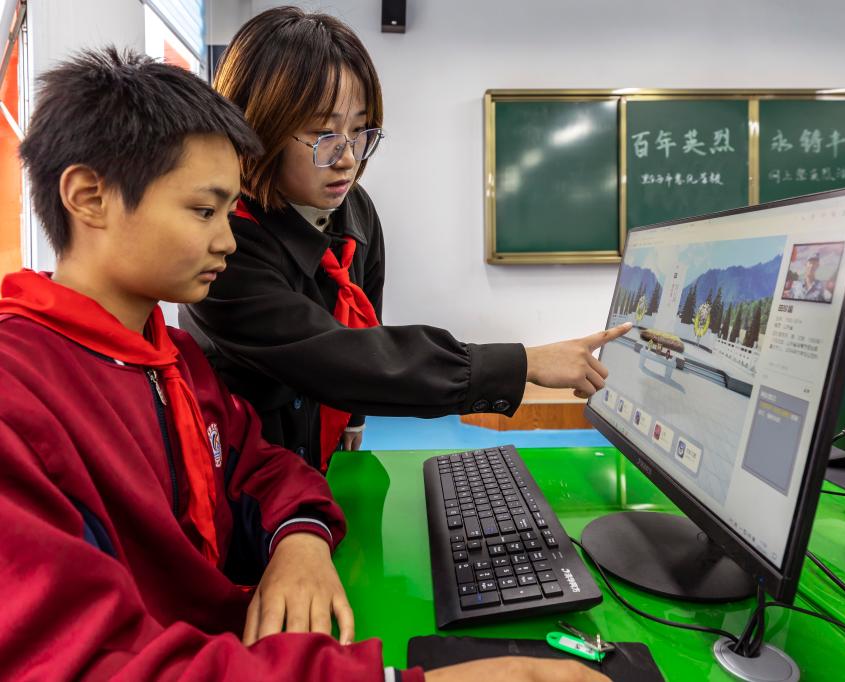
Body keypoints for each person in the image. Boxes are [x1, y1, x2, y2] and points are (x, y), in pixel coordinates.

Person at [0, 47, 606, 682]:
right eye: (205, 211)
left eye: (359, 130)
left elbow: (261, 465)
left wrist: (300, 536)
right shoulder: (22, 398)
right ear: (89, 197)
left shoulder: (166, 358)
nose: (227, 241)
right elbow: (84, 664)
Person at [179, 6, 630, 471]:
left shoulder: (354, 208)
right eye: (323, 134)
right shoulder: (224, 243)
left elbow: (365, 323)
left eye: (359, 131)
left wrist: (353, 418)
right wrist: (523, 364)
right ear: (258, 126)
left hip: (322, 453)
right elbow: (335, 356)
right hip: (244, 477)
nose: (348, 159)